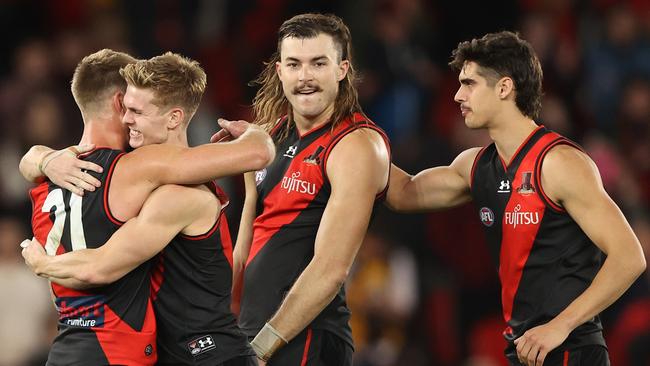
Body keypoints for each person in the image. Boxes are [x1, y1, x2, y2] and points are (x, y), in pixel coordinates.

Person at [386, 31, 646, 366]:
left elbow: (630, 257)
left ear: (505, 88)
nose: (457, 95)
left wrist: (560, 326)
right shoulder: (475, 166)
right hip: (526, 350)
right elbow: (403, 192)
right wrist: (349, 130)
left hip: (571, 348)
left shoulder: (558, 162)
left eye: (469, 83)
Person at [20, 50, 274, 365]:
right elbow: (257, 153)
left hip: (196, 355)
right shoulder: (137, 172)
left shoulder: (48, 181)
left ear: (174, 117)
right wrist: (253, 134)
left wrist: (40, 157)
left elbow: (100, 266)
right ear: (117, 102)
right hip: (136, 352)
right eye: (127, 108)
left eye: (136, 110)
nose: (128, 119)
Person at [228, 13, 391, 365]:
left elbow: (331, 269)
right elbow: (249, 241)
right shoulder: (270, 135)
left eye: (318, 63)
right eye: (294, 64)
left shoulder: (355, 145)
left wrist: (260, 350)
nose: (305, 77)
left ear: (342, 69)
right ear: (279, 71)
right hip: (253, 332)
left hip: (305, 339)